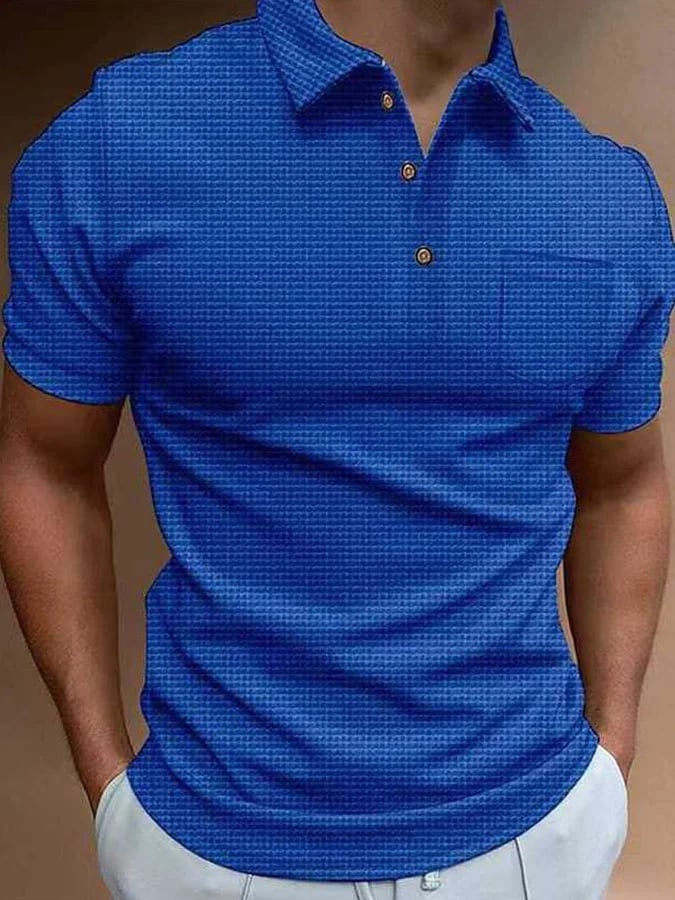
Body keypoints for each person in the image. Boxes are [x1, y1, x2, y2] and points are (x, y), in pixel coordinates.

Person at [1, 1, 673, 898]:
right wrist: (109, 789)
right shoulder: (122, 142)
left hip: (532, 835)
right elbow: (44, 465)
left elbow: (624, 484)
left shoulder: (604, 192)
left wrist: (609, 766)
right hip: (212, 849)